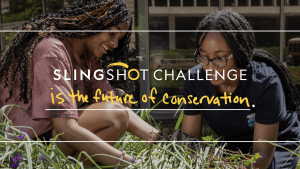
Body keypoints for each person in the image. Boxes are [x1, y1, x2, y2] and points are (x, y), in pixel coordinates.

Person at [0, 0, 159, 167]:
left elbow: (117, 107)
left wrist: (163, 140)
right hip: (29, 150)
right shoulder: (52, 50)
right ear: (93, 22)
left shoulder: (88, 58)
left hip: (56, 138)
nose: (115, 44)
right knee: (114, 116)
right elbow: (66, 128)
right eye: (112, 33)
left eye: (119, 38)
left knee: (117, 112)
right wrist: (135, 163)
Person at [181, 10, 300, 169]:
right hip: (233, 142)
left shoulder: (265, 83)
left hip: (276, 143)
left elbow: (262, 157)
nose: (209, 67)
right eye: (203, 56)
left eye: (220, 58)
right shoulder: (195, 81)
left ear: (239, 53)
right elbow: (190, 142)